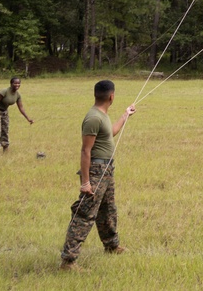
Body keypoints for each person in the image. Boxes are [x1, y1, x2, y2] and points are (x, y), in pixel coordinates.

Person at [60, 80, 136, 271]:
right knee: (85, 213)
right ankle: (68, 261)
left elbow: (111, 133)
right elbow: (86, 151)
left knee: (108, 210)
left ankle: (111, 245)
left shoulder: (102, 116)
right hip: (96, 171)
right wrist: (86, 182)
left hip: (107, 170)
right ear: (111, 96)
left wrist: (125, 115)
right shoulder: (93, 118)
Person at [0, 76, 33, 154]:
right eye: (15, 83)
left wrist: (28, 118)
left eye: (19, 83)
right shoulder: (4, 91)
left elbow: (21, 107)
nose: (17, 85)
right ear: (11, 83)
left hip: (4, 112)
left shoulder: (17, 95)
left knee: (5, 130)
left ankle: (5, 149)